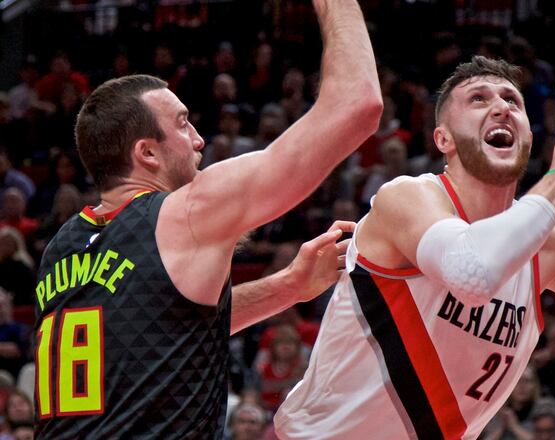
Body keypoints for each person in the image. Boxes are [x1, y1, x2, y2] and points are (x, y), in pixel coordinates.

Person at [275, 56, 555, 438]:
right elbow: (472, 272)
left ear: (529, 135)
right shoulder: (406, 199)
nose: (501, 107)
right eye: (478, 99)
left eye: (513, 101)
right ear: (443, 139)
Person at [32, 0, 382, 437]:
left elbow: (165, 329)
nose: (198, 140)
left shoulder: (62, 244)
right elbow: (358, 105)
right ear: (147, 152)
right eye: (182, 124)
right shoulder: (183, 214)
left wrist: (288, 285)